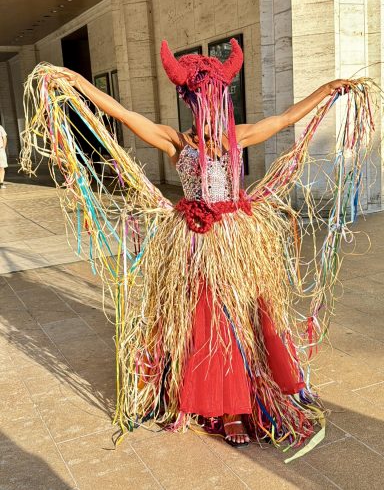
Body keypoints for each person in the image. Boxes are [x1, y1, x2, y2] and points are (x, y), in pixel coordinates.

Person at [21, 40, 376, 461]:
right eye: (203, 100)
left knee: (245, 315)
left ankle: (251, 390)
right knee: (210, 319)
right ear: (191, 100)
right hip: (194, 243)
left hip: (236, 243)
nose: (212, 110)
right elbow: (123, 113)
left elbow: (284, 118)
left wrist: (328, 91)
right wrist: (75, 80)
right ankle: (225, 407)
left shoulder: (238, 136)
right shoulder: (175, 141)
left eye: (218, 100)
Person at [0, 123, 8, 188]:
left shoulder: (0, 127)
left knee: (2, 166)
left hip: (0, 149)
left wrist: (3, 148)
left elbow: (4, 137)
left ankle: (1, 183)